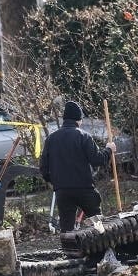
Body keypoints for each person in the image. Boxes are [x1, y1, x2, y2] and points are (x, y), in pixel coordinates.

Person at [40, 100, 116, 233]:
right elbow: (97, 160)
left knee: (67, 229)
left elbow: (44, 169)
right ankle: (104, 249)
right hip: (84, 189)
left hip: (62, 191)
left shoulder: (51, 139)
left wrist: (56, 183)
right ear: (79, 120)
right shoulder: (83, 136)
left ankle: (69, 252)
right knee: (98, 224)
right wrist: (109, 150)